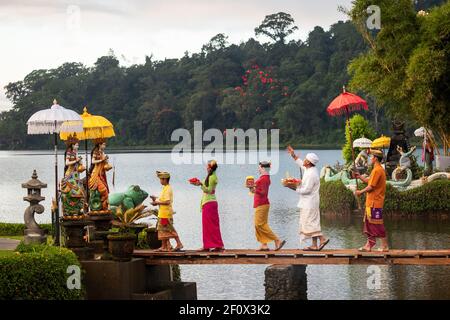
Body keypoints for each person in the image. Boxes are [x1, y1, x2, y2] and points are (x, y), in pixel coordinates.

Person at [287, 146, 329, 251]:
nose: (304, 161)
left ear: (309, 162)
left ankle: (322, 238)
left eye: (305, 159)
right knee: (311, 222)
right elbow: (301, 164)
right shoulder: (309, 169)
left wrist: (293, 188)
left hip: (310, 202)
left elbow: (307, 190)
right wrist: (293, 155)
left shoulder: (312, 174)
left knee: (310, 222)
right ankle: (314, 245)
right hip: (308, 202)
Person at [354, 149, 389, 252]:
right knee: (369, 224)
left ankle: (385, 246)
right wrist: (359, 177)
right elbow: (370, 181)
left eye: (371, 157)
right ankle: (368, 245)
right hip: (371, 202)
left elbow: (371, 187)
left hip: (375, 202)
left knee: (377, 224)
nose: (369, 158)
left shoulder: (378, 170)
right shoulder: (376, 169)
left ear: (375, 158)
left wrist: (360, 192)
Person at [248, 161, 286, 251]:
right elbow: (258, 191)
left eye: (260, 168)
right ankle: (264, 244)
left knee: (259, 224)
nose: (259, 169)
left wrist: (254, 189)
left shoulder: (264, 179)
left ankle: (277, 240)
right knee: (261, 224)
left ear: (263, 169)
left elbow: (263, 192)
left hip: (262, 204)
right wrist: (252, 187)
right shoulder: (265, 178)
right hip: (262, 203)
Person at [192, 160, 225, 252]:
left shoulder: (212, 177)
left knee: (209, 226)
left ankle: (209, 246)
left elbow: (209, 190)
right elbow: (204, 185)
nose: (206, 168)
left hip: (209, 203)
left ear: (211, 168)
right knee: (211, 225)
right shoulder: (210, 176)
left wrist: (200, 185)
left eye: (208, 166)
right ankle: (214, 245)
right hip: (209, 202)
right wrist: (198, 183)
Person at [151, 171, 184, 252]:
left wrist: (157, 202)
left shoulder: (168, 189)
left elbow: (167, 202)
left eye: (161, 179)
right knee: (162, 230)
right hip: (162, 213)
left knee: (169, 229)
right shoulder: (165, 188)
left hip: (165, 214)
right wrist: (155, 199)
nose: (160, 181)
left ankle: (179, 244)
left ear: (165, 179)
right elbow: (162, 200)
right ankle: (164, 246)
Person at [60, 134, 85, 217]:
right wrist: (75, 160)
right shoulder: (69, 152)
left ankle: (78, 209)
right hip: (70, 174)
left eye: (78, 145)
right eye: (77, 145)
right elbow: (67, 163)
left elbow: (79, 164)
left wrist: (80, 161)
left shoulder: (76, 153)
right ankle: (68, 209)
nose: (78, 146)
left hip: (76, 175)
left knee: (80, 191)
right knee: (72, 191)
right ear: (73, 145)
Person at [88, 139, 112, 212]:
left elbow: (105, 163)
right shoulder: (96, 151)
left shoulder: (102, 152)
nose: (104, 146)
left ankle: (103, 207)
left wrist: (106, 160)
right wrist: (102, 160)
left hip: (102, 173)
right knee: (103, 190)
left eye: (105, 144)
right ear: (99, 145)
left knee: (106, 191)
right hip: (96, 174)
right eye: (103, 144)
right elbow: (93, 161)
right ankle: (97, 206)